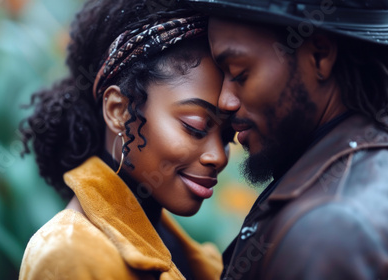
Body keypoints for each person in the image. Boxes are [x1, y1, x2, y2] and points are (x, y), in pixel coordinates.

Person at [185, 0, 388, 279]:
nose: (224, 101)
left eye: (240, 74)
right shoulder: (375, 162)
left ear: (319, 55)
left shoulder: (329, 229)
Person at [18, 0, 235, 279]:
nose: (218, 156)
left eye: (228, 137)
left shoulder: (180, 250)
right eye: (195, 127)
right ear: (118, 111)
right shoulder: (69, 255)